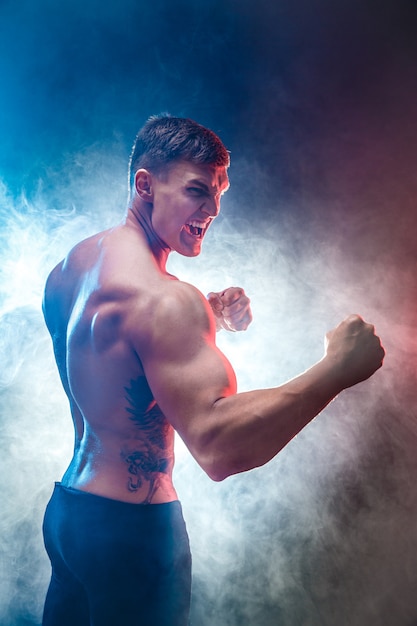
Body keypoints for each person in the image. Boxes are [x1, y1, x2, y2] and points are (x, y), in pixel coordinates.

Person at [41, 114, 385, 626]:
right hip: (134, 535)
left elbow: (113, 360)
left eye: (220, 193)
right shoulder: (166, 302)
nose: (214, 210)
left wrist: (208, 312)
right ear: (145, 185)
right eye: (199, 190)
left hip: (71, 515)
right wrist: (337, 368)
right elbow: (221, 446)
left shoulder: (74, 266)